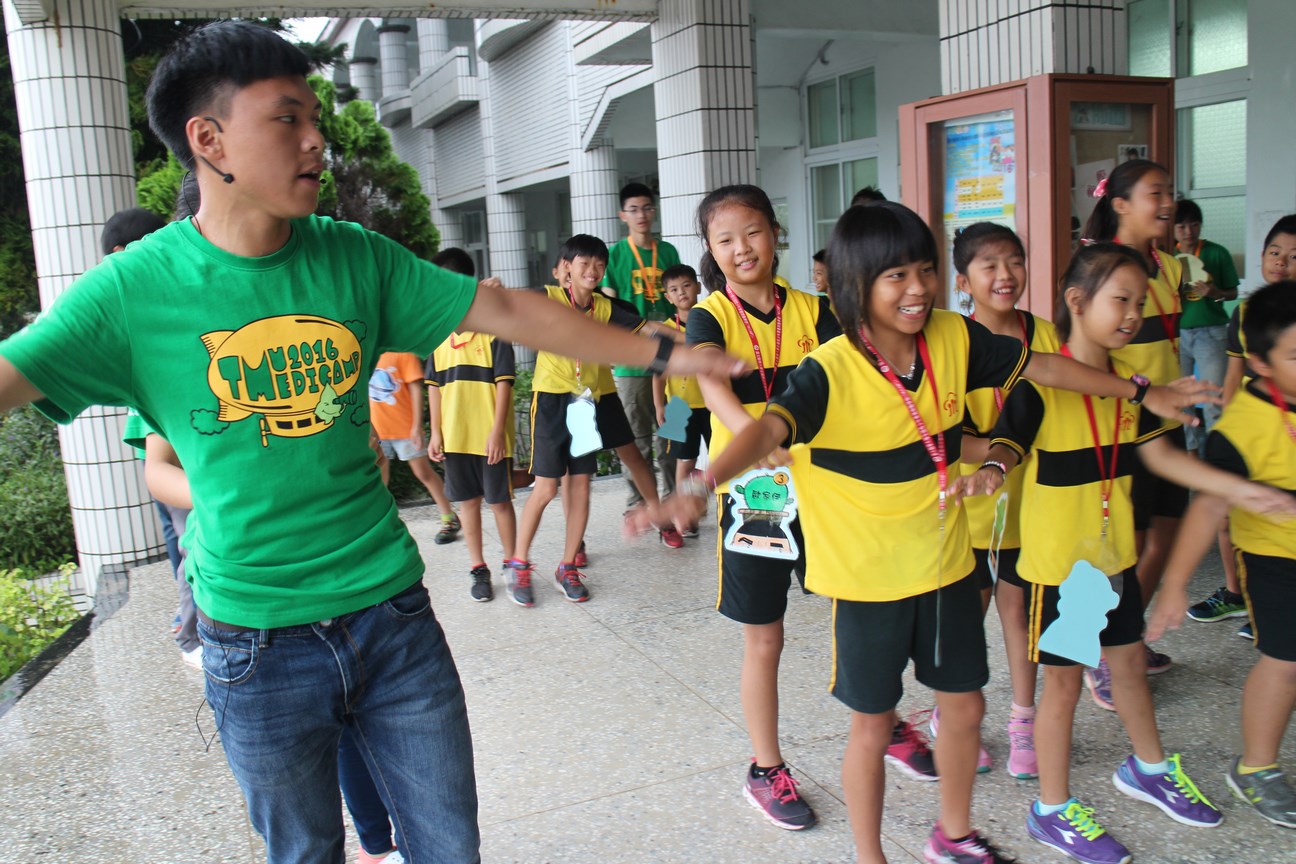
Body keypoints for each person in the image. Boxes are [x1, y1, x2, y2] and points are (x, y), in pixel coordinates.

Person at [0, 22, 744, 862]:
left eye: (314, 115)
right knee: (305, 854)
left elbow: (501, 310)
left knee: (448, 848)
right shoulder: (131, 292)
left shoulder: (354, 256)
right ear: (208, 141)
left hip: (391, 618)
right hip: (255, 641)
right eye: (287, 118)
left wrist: (668, 351)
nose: (317, 138)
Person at [675, 203, 1219, 864]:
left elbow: (1040, 367)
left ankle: (953, 835)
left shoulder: (953, 337)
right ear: (856, 287)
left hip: (947, 567)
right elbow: (767, 428)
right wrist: (704, 483)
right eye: (895, 276)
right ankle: (870, 854)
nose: (917, 289)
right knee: (871, 726)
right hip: (870, 583)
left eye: (926, 271)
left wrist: (1137, 392)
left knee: (963, 713)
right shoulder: (829, 367)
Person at [965, 243, 1295, 863]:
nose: (1131, 313)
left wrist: (1241, 488)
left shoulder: (1132, 389)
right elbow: (1006, 443)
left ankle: (1148, 767)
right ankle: (1052, 809)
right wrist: (991, 467)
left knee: (1129, 666)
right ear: (1076, 301)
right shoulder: (1043, 384)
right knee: (1061, 687)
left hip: (1113, 557)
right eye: (1120, 299)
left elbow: (1164, 457)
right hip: (1063, 571)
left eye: (1140, 302)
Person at [686, 184, 842, 833]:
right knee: (765, 635)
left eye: (751, 232)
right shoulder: (710, 315)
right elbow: (711, 384)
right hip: (757, 493)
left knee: (858, 605)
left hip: (828, 484)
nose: (741, 248)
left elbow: (846, 381)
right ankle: (766, 767)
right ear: (712, 251)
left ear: (775, 232)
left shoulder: (817, 309)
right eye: (725, 240)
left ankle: (882, 723)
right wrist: (758, 441)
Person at [1149, 280, 1296, 831]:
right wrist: (1175, 586)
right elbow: (1208, 509)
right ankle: (1256, 767)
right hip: (1275, 563)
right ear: (1259, 363)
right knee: (1285, 663)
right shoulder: (1239, 431)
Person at [508, 235, 685, 606]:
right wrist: (487, 289)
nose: (591, 270)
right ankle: (518, 564)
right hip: (553, 399)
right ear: (566, 269)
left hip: (585, 404)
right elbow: (508, 300)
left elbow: (648, 329)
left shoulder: (605, 307)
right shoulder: (550, 298)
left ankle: (567, 566)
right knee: (545, 488)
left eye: (598, 265)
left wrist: (691, 340)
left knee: (583, 485)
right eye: (583, 263)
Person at [951, 222, 1059, 781]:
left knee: (1020, 611)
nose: (1005, 275)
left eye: (1014, 261)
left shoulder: (1045, 336)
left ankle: (1023, 721)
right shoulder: (951, 342)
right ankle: (958, 718)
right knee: (972, 611)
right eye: (989, 265)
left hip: (1033, 503)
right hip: (967, 505)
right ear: (963, 280)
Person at [1083, 157, 1185, 697]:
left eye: (1168, 191)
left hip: (1171, 416)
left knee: (1166, 533)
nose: (1166, 202)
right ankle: (1103, 648)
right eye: (1155, 193)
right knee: (1126, 542)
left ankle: (1125, 634)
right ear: (1120, 204)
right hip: (1126, 420)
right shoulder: (1099, 268)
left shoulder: (1171, 268)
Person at [1191, 215, 1296, 637]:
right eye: (1275, 252)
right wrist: (1225, 422)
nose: (1281, 262)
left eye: (1293, 257)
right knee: (1229, 514)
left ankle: (1270, 606)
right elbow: (1233, 376)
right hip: (1256, 427)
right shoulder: (1248, 310)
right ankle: (1241, 596)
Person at [102, 209, 184, 630]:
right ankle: (189, 614)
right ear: (122, 252)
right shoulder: (121, 296)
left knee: (179, 527)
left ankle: (188, 609)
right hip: (158, 427)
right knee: (181, 528)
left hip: (168, 426)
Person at [425, 247, 517, 603]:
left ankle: (514, 563)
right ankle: (479, 568)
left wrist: (497, 432)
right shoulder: (437, 335)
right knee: (468, 505)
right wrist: (435, 432)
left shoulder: (494, 331)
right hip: (455, 438)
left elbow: (504, 383)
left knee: (499, 503)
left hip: (490, 438)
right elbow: (433, 387)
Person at [601, 182, 681, 508]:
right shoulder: (615, 256)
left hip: (668, 355)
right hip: (631, 359)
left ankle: (673, 499)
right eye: (634, 209)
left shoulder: (669, 252)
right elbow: (608, 306)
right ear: (623, 215)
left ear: (654, 210)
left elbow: (680, 300)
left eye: (647, 208)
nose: (642, 215)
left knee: (671, 431)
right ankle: (639, 502)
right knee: (635, 436)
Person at [370, 347, 461, 544]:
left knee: (423, 473)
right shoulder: (367, 353)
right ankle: (381, 527)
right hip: (377, 431)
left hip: (404, 428)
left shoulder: (403, 352)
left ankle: (449, 518)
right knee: (379, 481)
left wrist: (417, 426)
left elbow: (415, 389)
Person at [1173, 199, 1239, 454]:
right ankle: (1190, 454)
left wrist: (1214, 292)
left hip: (1211, 331)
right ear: (1174, 228)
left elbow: (1233, 292)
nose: (1188, 231)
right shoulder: (1167, 258)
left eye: (1194, 225)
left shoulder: (1216, 252)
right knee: (1182, 399)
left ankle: (1216, 457)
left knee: (1213, 400)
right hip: (1176, 335)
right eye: (1182, 226)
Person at [652, 264, 711, 537]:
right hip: (677, 406)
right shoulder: (664, 330)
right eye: (674, 290)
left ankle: (718, 507)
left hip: (713, 403)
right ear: (668, 297)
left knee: (720, 457)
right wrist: (659, 405)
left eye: (687, 285)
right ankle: (682, 515)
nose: (682, 292)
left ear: (698, 286)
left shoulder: (712, 320)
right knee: (683, 461)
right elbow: (658, 372)